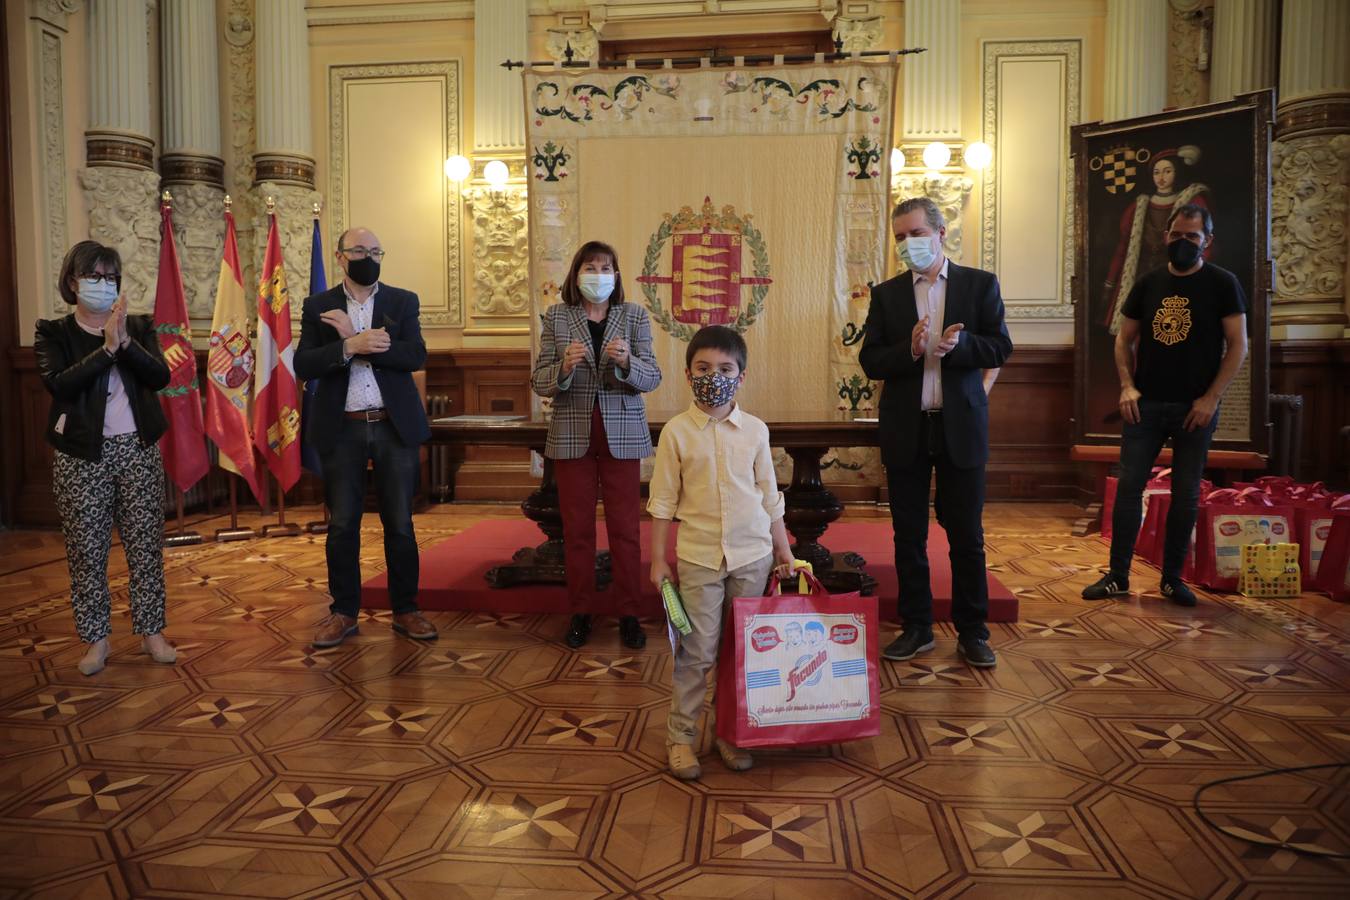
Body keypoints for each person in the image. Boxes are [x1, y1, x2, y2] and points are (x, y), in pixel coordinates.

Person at [860, 197, 1013, 669]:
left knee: (966, 534)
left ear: (941, 232)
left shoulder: (979, 284)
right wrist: (908, 348)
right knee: (908, 535)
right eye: (900, 238)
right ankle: (917, 627)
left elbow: (1000, 346)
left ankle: (973, 631)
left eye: (915, 234)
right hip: (907, 427)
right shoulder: (887, 295)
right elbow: (870, 360)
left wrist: (961, 345)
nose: (908, 245)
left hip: (960, 427)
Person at [648, 325, 797, 780]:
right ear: (688, 374)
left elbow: (770, 497)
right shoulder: (676, 432)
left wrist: (785, 551)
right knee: (697, 652)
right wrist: (658, 559)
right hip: (698, 559)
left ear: (742, 376)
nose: (715, 376)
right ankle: (681, 736)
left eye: (725, 369)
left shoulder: (755, 430)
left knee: (742, 654)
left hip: (753, 556)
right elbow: (663, 501)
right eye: (704, 368)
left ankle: (731, 735)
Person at [1084, 204, 1247, 607]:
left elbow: (1239, 345)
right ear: (1165, 237)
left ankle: (1172, 579)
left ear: (1207, 240)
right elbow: (1123, 340)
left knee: (1186, 493)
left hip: (1196, 408)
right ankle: (1118, 575)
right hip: (1146, 406)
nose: (1183, 242)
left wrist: (1211, 398)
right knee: (1128, 489)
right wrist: (1126, 386)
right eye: (1177, 234)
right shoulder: (1148, 283)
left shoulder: (1223, 284)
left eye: (1192, 236)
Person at [35, 241, 176, 675]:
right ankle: (96, 641)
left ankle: (152, 633)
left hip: (137, 449)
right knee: (86, 550)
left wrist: (125, 342)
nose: (104, 285)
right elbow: (60, 384)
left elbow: (160, 376)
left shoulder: (137, 324)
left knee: (145, 546)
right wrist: (106, 350)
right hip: (81, 455)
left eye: (111, 277)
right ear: (73, 281)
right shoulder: (54, 332)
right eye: (94, 277)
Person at [295, 227, 437, 647]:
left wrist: (366, 344)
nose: (368, 256)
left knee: (400, 524)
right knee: (342, 525)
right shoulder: (318, 305)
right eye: (359, 250)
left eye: (376, 250)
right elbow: (305, 363)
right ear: (341, 257)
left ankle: (406, 610)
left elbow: (415, 354)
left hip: (393, 425)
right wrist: (347, 346)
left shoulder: (401, 301)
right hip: (343, 427)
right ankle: (343, 612)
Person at [531, 241, 661, 649]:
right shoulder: (557, 317)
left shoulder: (634, 315)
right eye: (591, 266)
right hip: (573, 433)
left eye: (607, 267)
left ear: (616, 276)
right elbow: (540, 380)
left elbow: (652, 377)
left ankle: (629, 614)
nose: (599, 274)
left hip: (622, 434)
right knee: (578, 531)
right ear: (576, 273)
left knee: (626, 530)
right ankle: (581, 612)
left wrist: (626, 363)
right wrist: (564, 369)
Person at [1102, 146, 1211, 336]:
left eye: (1167, 171)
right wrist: (1110, 281)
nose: (1161, 177)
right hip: (1142, 275)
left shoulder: (1192, 201)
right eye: (1156, 172)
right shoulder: (1140, 205)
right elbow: (1123, 247)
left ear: (1177, 173)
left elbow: (1204, 250)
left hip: (1175, 277)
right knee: (1137, 330)